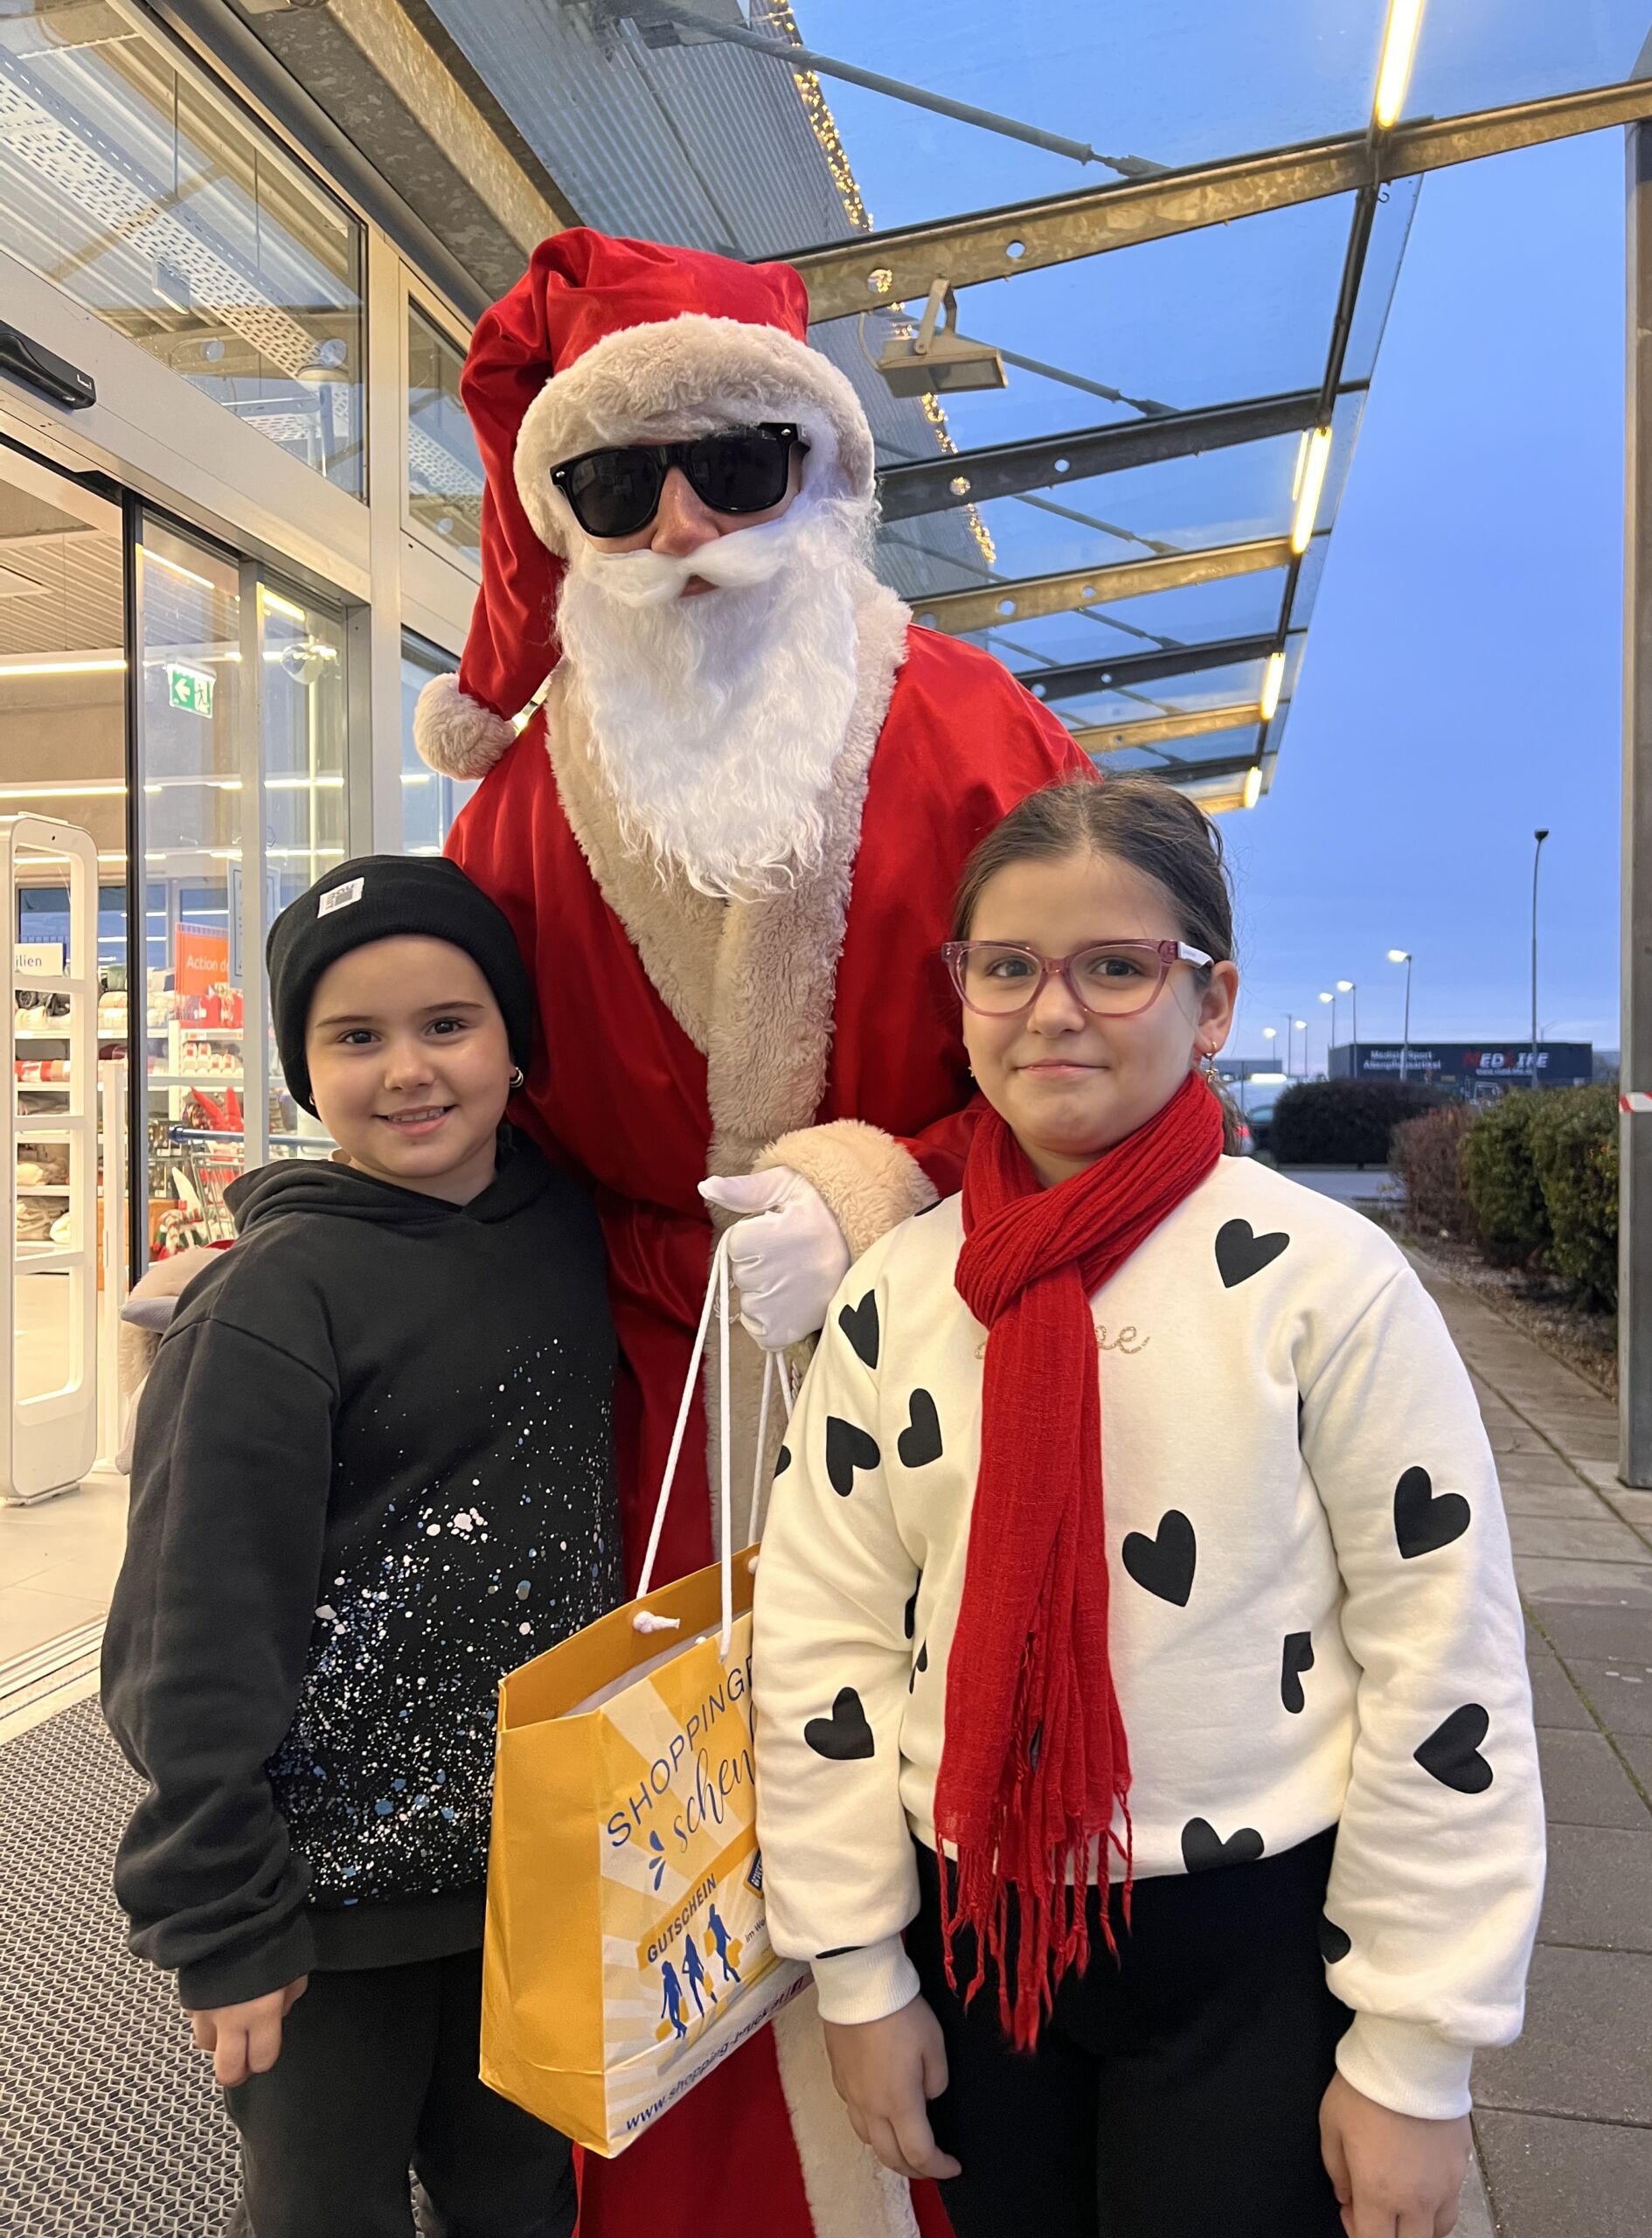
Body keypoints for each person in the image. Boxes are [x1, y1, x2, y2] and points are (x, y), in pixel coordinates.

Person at [413, 227, 1087, 2238]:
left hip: (950, 1379)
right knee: (667, 1829)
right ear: (563, 516)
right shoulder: (512, 814)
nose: (685, 528)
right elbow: (461, 1112)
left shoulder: (984, 735)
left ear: (828, 473)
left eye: (736, 464)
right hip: (644, 1401)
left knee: (944, 1821)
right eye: (618, 484)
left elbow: (1100, 1084)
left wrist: (881, 1184)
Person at [753, 776, 1545, 2238]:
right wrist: (856, 1971)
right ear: (963, 994)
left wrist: (1416, 2053)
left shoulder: (1324, 1281)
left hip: (1252, 1945)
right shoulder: (900, 1293)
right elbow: (823, 1635)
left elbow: (1445, 1658)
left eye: (1116, 966)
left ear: (1213, 1000)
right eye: (1008, 966)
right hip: (972, 1936)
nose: (1053, 1010)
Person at [102, 856, 621, 2238]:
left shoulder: (573, 1232)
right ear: (303, 1071)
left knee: (523, 2200)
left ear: (516, 1043)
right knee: (324, 2209)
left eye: (447, 1024)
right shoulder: (271, 1304)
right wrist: (220, 1915)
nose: (408, 1070)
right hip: (329, 1904)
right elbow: (189, 1634)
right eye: (355, 1037)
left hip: (537, 1877)